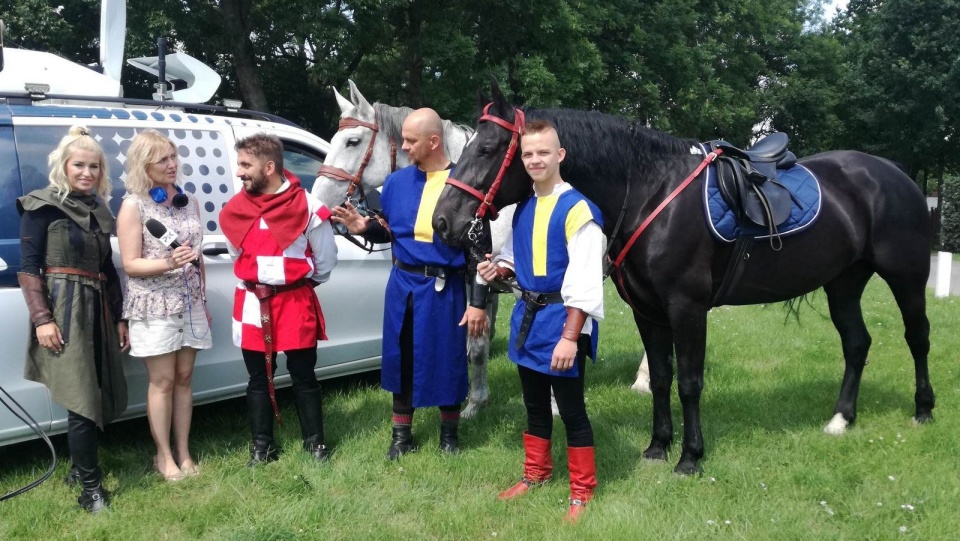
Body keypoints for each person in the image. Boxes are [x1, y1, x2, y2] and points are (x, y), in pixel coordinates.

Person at [331, 108, 488, 459]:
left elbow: (479, 250)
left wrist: (477, 302)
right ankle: (401, 436)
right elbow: (390, 228)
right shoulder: (397, 183)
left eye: (410, 140)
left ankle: (449, 435)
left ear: (434, 142)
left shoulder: (463, 186)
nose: (403, 146)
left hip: (445, 289)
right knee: (401, 358)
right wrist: (364, 226)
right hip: (402, 286)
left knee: (447, 359)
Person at [476, 119, 604, 523]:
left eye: (543, 152)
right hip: (527, 320)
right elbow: (518, 255)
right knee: (533, 406)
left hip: (563, 322)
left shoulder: (579, 209)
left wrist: (570, 337)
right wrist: (502, 270)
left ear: (559, 155)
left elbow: (585, 279)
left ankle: (582, 492)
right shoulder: (524, 207)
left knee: (571, 410)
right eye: (528, 154)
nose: (535, 160)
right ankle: (536, 474)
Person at [17, 126, 130, 513]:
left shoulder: (101, 209)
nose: (86, 172)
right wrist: (42, 319)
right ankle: (91, 489)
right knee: (81, 398)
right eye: (79, 165)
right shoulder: (41, 206)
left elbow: (108, 269)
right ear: (63, 166)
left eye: (94, 166)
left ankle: (78, 471)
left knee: (96, 389)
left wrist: (118, 316)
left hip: (97, 306)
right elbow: (30, 268)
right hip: (63, 308)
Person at [219, 133, 337, 465]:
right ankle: (262, 446)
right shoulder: (235, 209)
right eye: (239, 163)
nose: (239, 172)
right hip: (252, 303)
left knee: (303, 374)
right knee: (258, 377)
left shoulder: (309, 207)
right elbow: (238, 257)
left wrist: (292, 283)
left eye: (246, 164)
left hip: (294, 300)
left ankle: (315, 443)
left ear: (269, 167)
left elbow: (326, 260)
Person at [116, 130, 212, 481]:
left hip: (190, 303)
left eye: (174, 157)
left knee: (185, 378)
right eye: (163, 160)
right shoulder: (134, 206)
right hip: (153, 304)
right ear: (145, 165)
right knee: (163, 381)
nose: (172, 165)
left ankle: (184, 453)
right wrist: (168, 263)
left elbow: (197, 257)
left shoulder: (189, 201)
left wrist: (203, 296)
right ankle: (163, 456)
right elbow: (130, 264)